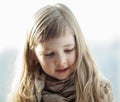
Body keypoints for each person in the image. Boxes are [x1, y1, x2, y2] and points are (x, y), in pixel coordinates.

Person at [8, 3, 113, 102]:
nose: (61, 61)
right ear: (33, 55)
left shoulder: (98, 91)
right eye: (49, 54)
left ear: (79, 46)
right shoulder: (24, 95)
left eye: (68, 50)